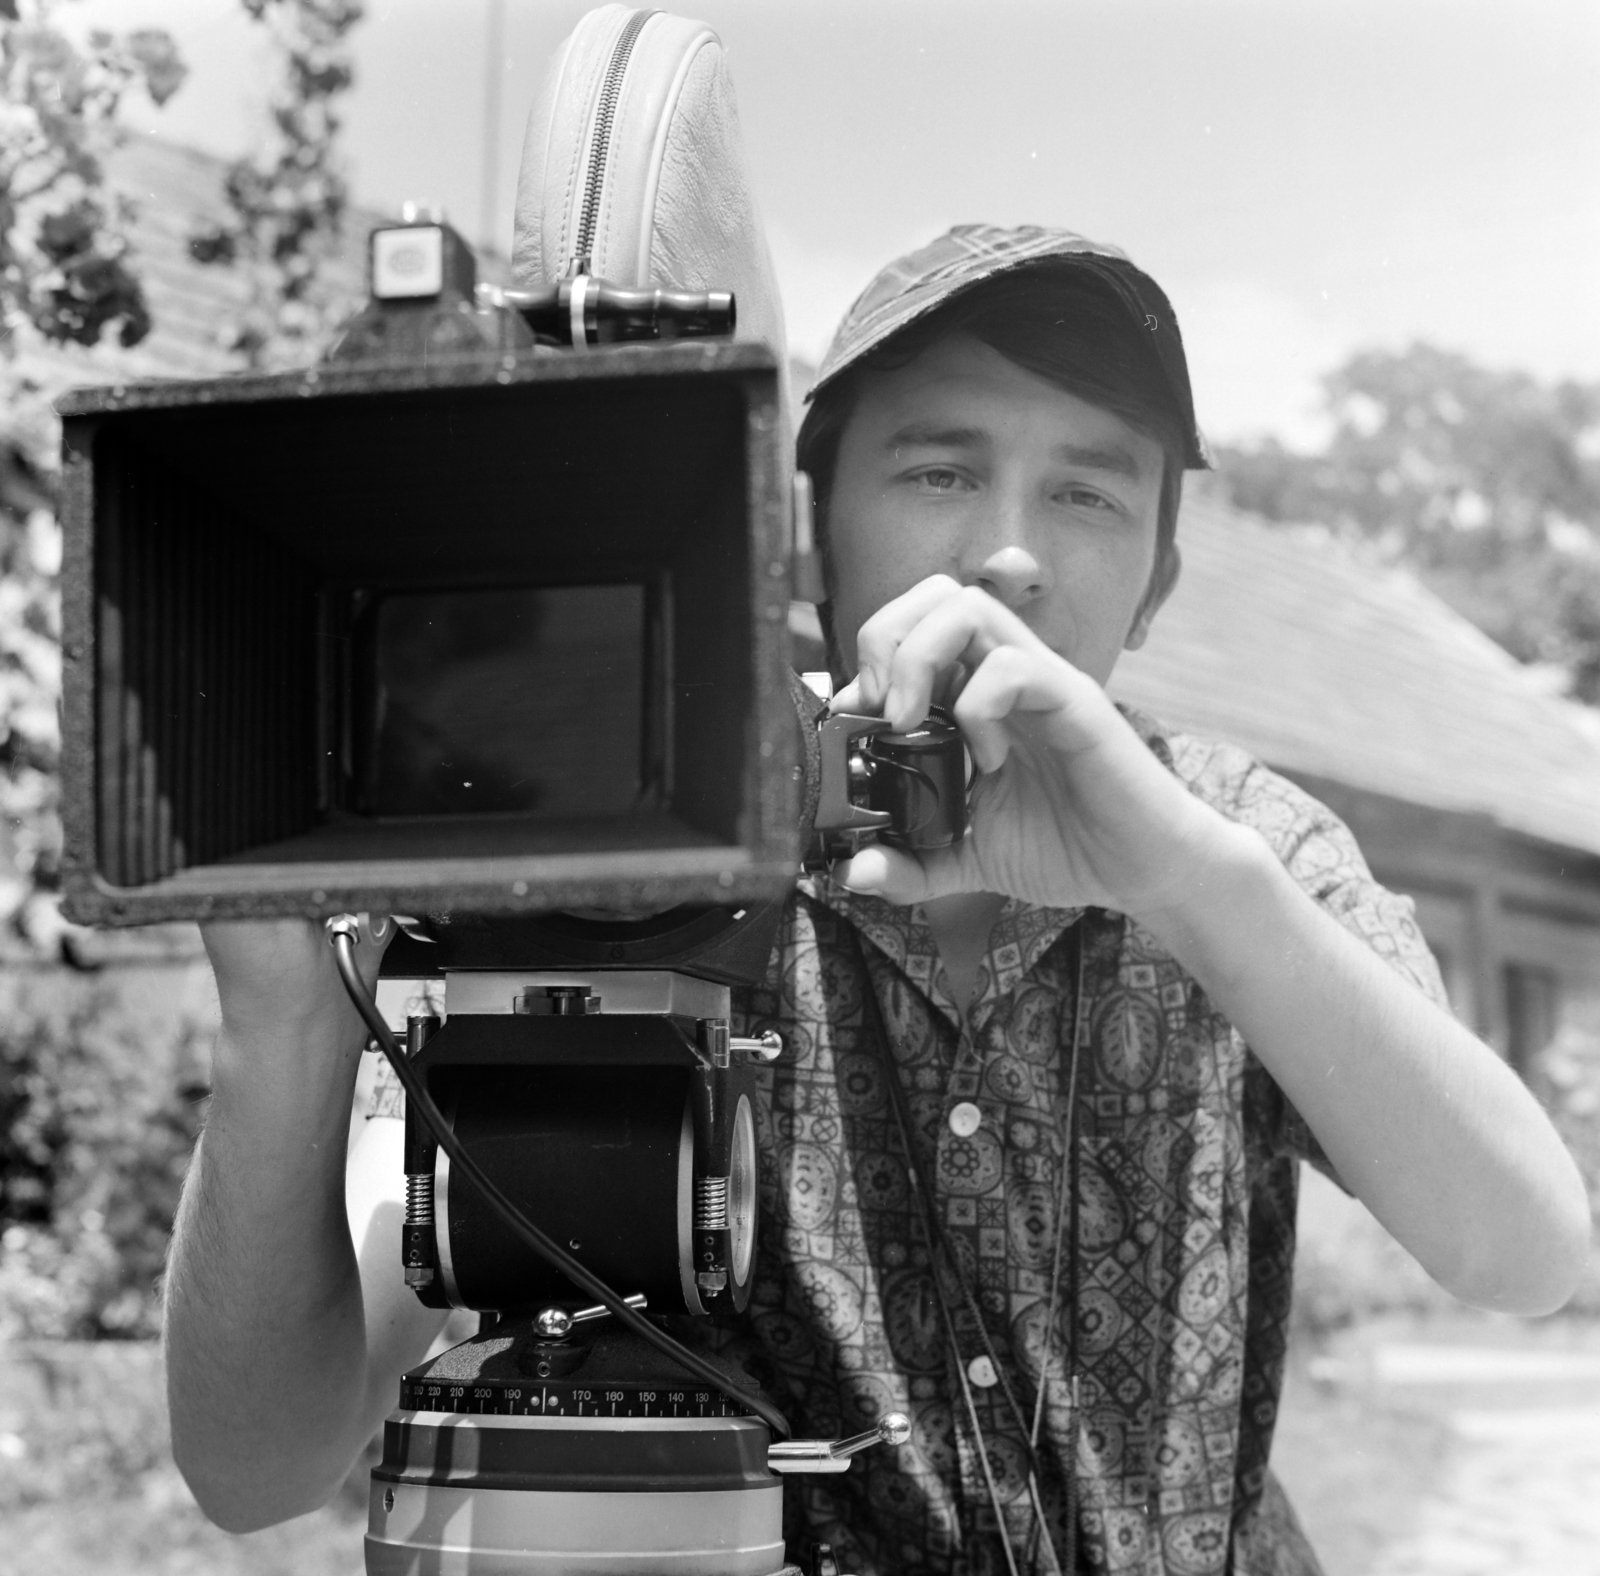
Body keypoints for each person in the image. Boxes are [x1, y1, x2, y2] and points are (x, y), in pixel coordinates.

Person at [165, 226, 1590, 1576]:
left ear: (1155, 581)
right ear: (803, 538)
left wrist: (1190, 881)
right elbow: (254, 1466)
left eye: (1091, 491)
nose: (1009, 551)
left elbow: (1523, 1256)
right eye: (938, 470)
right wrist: (282, 1032)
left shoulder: (1247, 844)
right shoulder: (631, 845)